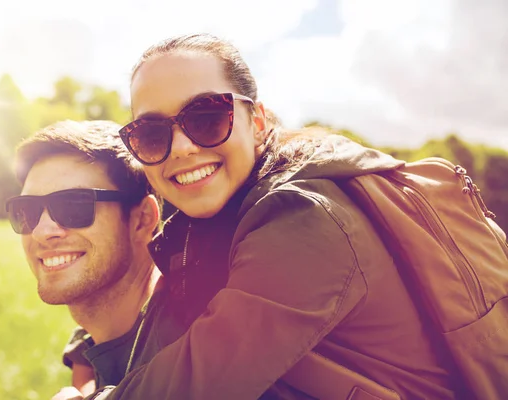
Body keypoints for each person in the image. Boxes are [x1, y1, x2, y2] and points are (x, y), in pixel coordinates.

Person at [87, 33, 465, 400]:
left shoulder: (309, 219)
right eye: (151, 133)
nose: (182, 148)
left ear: (257, 123)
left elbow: (201, 379)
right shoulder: (213, 225)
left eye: (206, 118)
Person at [5, 120, 162, 399]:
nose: (41, 232)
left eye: (74, 206)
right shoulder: (88, 349)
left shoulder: (192, 351)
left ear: (142, 219)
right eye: (27, 211)